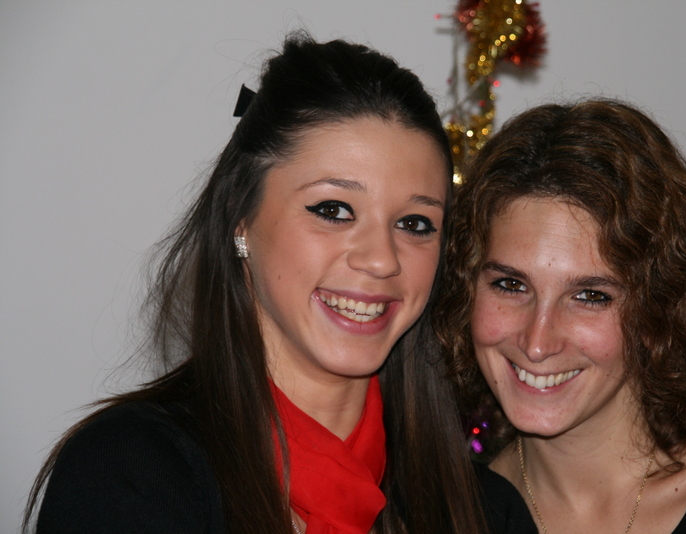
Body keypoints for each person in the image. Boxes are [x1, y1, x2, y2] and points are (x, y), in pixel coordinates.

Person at [23, 34, 491, 534]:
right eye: (333, 210)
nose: (381, 259)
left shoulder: (485, 507)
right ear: (240, 219)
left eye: (415, 224)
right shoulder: (132, 473)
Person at [435, 99, 686, 533]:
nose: (537, 342)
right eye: (511, 285)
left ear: (658, 306)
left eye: (590, 296)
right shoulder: (443, 517)